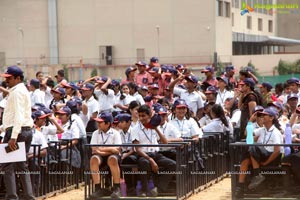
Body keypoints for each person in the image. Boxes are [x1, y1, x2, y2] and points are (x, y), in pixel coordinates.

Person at [1, 65, 35, 199]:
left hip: (17, 132)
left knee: (7, 166)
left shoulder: (16, 92)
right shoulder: (20, 90)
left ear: (18, 78)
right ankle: (28, 196)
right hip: (23, 130)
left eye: (9, 78)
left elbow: (19, 116)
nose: (7, 80)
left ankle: (12, 197)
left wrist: (13, 136)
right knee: (21, 166)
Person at [235, 107, 283, 198]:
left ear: (271, 118)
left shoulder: (276, 132)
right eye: (261, 115)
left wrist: (266, 162)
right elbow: (247, 135)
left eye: (265, 115)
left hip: (270, 157)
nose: (262, 117)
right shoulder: (262, 130)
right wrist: (250, 121)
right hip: (260, 156)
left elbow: (277, 151)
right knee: (245, 159)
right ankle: (240, 187)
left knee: (253, 145)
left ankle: (257, 174)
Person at [89, 112, 122, 199]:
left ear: (107, 123)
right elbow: (94, 149)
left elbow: (117, 149)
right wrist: (110, 149)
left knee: (112, 159)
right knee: (94, 159)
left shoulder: (116, 133)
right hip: (100, 156)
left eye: (100, 122)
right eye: (97, 122)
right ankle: (98, 188)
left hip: (112, 156)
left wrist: (101, 150)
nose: (98, 124)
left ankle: (117, 188)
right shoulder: (95, 133)